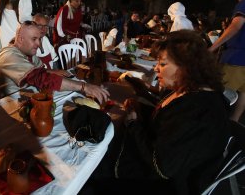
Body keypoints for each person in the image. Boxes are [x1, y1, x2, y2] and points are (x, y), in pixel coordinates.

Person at [83, 30, 230, 194]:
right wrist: (140, 106)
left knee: (89, 167)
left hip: (163, 183)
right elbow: (169, 120)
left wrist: (133, 124)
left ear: (186, 67)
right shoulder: (192, 92)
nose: (157, 68)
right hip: (161, 166)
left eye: (163, 64)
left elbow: (161, 167)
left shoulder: (198, 109)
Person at [0, 22, 109, 104]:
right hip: (2, 109)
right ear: (20, 39)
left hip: (21, 102)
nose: (39, 44)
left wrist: (62, 74)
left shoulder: (28, 54)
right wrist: (84, 87)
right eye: (34, 39)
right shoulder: (9, 55)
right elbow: (40, 77)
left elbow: (42, 71)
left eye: (40, 39)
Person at [209, 0, 245, 122]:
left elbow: (236, 26)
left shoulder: (243, 3)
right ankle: (232, 124)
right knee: (243, 95)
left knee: (217, 95)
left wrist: (212, 47)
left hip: (236, 59)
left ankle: (211, 126)